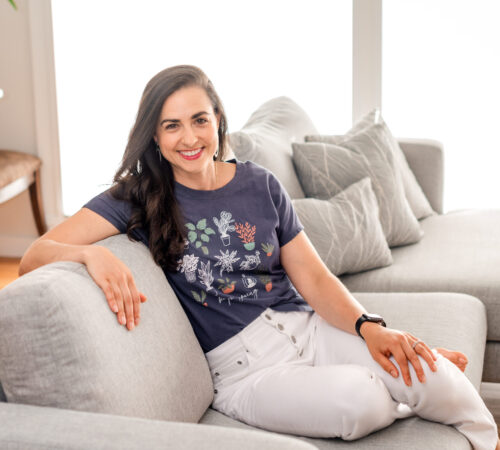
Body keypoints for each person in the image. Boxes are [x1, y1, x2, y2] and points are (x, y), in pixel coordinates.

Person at [19, 65, 499, 449]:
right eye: (172, 126)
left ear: (218, 121)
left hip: (309, 327)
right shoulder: (138, 197)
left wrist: (371, 328)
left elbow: (312, 276)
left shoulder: (259, 184)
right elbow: (35, 255)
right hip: (246, 369)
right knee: (363, 402)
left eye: (199, 120)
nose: (189, 138)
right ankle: (391, 390)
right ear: (155, 137)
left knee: (431, 375)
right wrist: (90, 257)